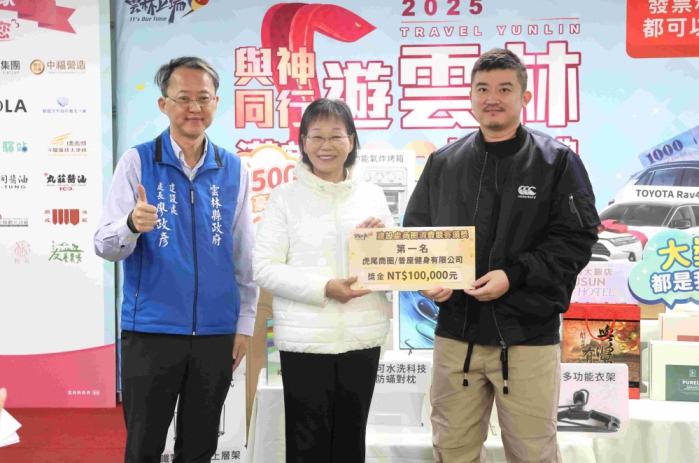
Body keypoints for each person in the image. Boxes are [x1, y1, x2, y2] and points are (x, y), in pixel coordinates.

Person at [403, 48, 600, 463]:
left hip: (528, 337)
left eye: (504, 89)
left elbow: (577, 239)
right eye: (482, 89)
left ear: (525, 97)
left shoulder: (556, 161)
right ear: (470, 97)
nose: (492, 98)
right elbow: (417, 234)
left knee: (533, 453)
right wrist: (427, 277)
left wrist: (514, 275)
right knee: (452, 450)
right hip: (456, 335)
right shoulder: (444, 162)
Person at [94, 56, 259, 463]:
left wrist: (244, 324)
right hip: (151, 330)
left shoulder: (234, 169)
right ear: (164, 105)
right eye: (183, 98)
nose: (194, 108)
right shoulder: (137, 162)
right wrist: (131, 225)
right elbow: (104, 245)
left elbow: (244, 256)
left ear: (216, 103)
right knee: (144, 446)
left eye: (203, 98)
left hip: (216, 334)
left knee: (200, 446)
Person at [252, 98, 392, 463]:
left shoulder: (373, 196)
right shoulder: (284, 198)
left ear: (351, 140)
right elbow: (264, 267)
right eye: (316, 136)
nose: (325, 145)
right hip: (305, 342)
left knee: (351, 443)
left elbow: (391, 268)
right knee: (307, 445)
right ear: (302, 141)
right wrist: (324, 288)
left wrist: (381, 241)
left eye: (336, 136)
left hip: (362, 337)